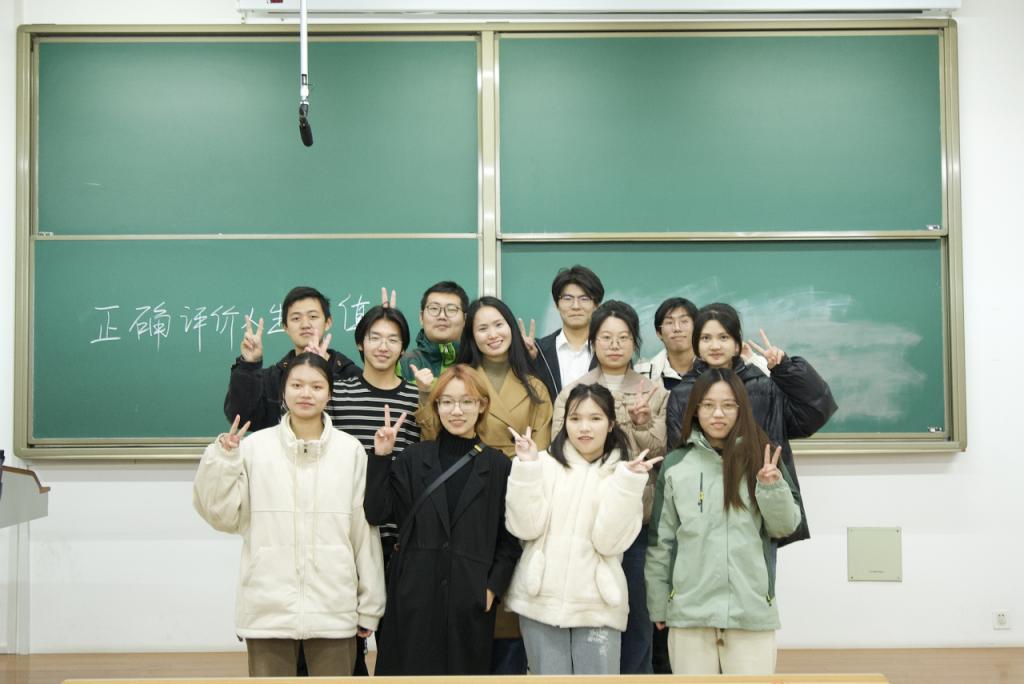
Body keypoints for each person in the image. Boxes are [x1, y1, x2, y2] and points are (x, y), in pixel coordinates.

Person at [194, 352, 385, 677]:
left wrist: (370, 605)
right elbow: (221, 516)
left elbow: (362, 532)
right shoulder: (255, 448)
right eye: (296, 385)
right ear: (283, 392)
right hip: (268, 610)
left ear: (329, 393)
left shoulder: (349, 450)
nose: (306, 393)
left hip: (333, 608)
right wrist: (223, 461)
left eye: (316, 386)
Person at [364, 364, 522, 675]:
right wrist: (381, 457)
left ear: (482, 406)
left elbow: (510, 541)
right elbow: (377, 513)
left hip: (469, 596)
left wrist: (491, 588)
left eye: (466, 401)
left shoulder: (499, 467)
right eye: (447, 402)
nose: (456, 411)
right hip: (414, 592)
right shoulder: (413, 458)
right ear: (436, 406)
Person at [646, 368, 802, 675]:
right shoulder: (676, 464)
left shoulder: (762, 458)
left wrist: (771, 487)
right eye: (708, 405)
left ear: (741, 409)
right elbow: (661, 542)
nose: (718, 414)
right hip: (690, 613)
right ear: (695, 409)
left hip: (750, 611)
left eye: (728, 405)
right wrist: (659, 603)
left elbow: (785, 526)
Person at [504, 383, 661, 674]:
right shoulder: (542, 464)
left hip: (598, 605)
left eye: (595, 418)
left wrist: (628, 485)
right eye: (575, 418)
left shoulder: (623, 474)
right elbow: (524, 528)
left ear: (611, 424)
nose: (584, 428)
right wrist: (526, 469)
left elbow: (609, 543)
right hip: (540, 601)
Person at [551, 299, 668, 675]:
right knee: (592, 620)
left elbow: (660, 456)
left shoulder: (654, 392)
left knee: (637, 618)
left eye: (623, 337)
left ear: (635, 342)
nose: (614, 345)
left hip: (637, 525)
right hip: (585, 525)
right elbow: (559, 452)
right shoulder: (574, 391)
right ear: (593, 341)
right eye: (605, 337)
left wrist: (639, 423)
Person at [665, 303, 837, 546]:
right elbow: (678, 456)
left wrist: (786, 369)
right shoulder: (683, 394)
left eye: (723, 337)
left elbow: (814, 413)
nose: (715, 345)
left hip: (760, 509)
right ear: (696, 345)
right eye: (706, 338)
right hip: (703, 514)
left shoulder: (763, 387)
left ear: (737, 345)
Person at [327, 304, 421, 676]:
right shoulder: (337, 394)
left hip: (397, 539)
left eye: (393, 339)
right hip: (346, 536)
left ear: (403, 348)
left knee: (397, 645)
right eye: (375, 338)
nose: (383, 346)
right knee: (345, 645)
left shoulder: (416, 399)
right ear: (360, 344)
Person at [413, 296, 553, 458]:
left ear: (511, 327)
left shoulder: (535, 387)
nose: (493, 334)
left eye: (499, 325)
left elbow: (541, 451)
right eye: (483, 328)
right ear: (472, 336)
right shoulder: (456, 381)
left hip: (520, 469)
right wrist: (425, 395)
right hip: (471, 469)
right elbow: (434, 439)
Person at [224, 286, 360, 431]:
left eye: (313, 317)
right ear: (285, 327)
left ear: (328, 322)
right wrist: (249, 365)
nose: (305, 325)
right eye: (296, 318)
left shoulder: (352, 376)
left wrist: (319, 370)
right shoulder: (272, 379)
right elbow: (241, 418)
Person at [522, 265, 605, 402]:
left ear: (596, 305)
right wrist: (525, 359)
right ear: (557, 304)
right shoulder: (538, 351)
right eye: (567, 298)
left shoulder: (609, 350)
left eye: (584, 298)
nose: (576, 306)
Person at [398, 281, 469, 382]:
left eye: (451, 309)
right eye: (434, 308)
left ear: (465, 319)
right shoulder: (404, 363)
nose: (442, 316)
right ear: (421, 317)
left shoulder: (476, 363)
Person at [635, 297, 699, 391]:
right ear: (659, 333)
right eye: (669, 322)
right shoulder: (643, 375)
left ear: (697, 328)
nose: (677, 328)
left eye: (684, 321)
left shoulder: (714, 365)